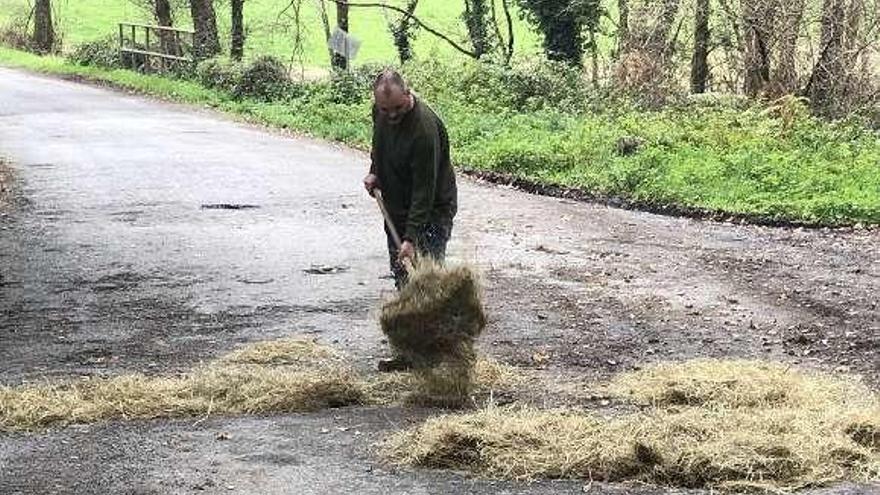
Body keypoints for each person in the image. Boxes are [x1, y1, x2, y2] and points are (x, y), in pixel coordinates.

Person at [363, 69, 458, 371]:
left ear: (409, 94)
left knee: (426, 284)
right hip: (396, 207)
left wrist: (411, 238)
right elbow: (380, 143)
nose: (391, 115)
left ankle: (439, 356)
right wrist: (375, 170)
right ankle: (408, 353)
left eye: (397, 109)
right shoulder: (381, 113)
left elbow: (424, 191)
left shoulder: (424, 130)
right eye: (384, 109)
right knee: (403, 280)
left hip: (430, 212)